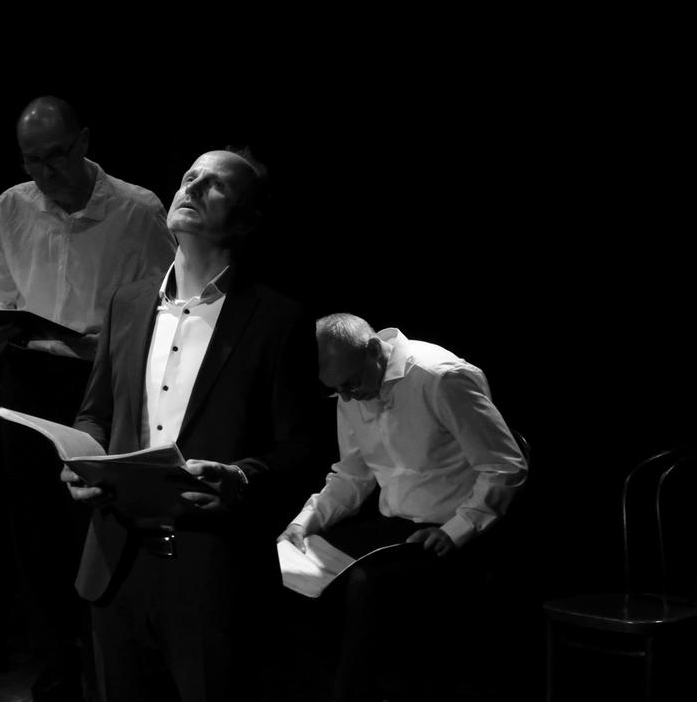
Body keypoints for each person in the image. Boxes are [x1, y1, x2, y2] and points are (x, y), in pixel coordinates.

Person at [62, 149, 328, 702]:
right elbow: (96, 412)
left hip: (213, 575)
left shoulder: (278, 320)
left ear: (247, 220)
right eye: (190, 177)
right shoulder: (128, 302)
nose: (195, 187)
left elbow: (305, 447)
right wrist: (82, 456)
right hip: (116, 562)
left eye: (216, 185)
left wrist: (242, 476)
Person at [0, 96, 175, 702]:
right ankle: (58, 669)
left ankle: (115, 667)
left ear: (84, 141)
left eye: (56, 155)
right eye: (32, 160)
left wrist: (109, 342)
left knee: (96, 526)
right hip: (28, 375)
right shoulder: (11, 205)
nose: (45, 172)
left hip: (100, 380)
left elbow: (166, 307)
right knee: (34, 533)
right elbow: (1, 294)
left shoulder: (137, 209)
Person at [278, 313, 528, 702]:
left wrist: (456, 530)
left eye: (350, 384)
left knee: (367, 586)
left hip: (458, 530)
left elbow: (504, 466)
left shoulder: (441, 378)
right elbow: (353, 475)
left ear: (373, 350)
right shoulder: (352, 387)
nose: (347, 397)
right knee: (293, 572)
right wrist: (303, 523)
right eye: (336, 390)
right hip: (397, 528)